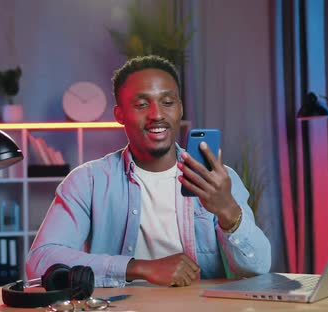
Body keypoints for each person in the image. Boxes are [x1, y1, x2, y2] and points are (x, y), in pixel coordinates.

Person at [26, 55, 271, 287]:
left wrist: (228, 210)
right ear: (119, 115)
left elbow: (258, 268)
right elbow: (40, 260)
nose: (157, 115)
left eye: (167, 102)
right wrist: (139, 268)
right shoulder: (87, 181)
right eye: (142, 104)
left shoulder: (219, 180)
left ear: (180, 109)